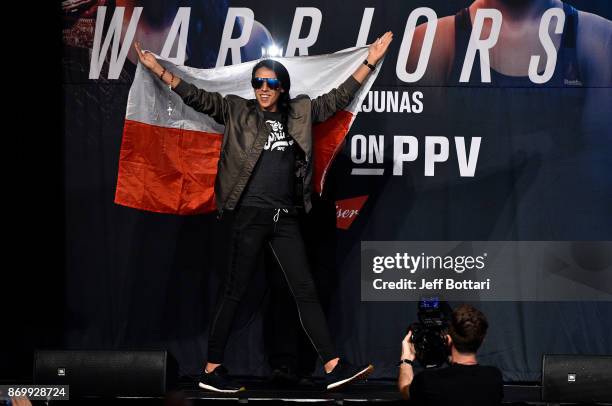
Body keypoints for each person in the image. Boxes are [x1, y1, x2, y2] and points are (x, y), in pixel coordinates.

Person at [133, 31, 393, 393]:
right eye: (258, 82)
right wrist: (159, 70)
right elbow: (197, 97)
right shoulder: (238, 110)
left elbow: (338, 98)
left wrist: (370, 61)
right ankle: (211, 369)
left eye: (270, 83)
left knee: (305, 290)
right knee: (235, 293)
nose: (263, 88)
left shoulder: (301, 111)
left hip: (285, 217)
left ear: (282, 88)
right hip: (250, 215)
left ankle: (333, 365)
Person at [397, 304, 503, 405]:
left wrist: (406, 359)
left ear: (448, 339)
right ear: (482, 340)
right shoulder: (494, 377)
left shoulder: (428, 381)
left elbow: (405, 390)